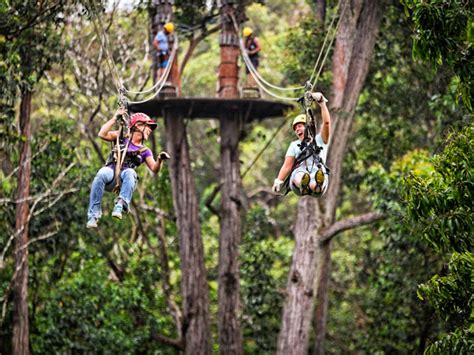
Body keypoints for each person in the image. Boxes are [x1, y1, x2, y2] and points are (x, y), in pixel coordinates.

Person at [86, 108, 170, 228]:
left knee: (130, 172)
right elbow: (102, 134)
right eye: (148, 127)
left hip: (126, 179)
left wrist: (160, 159)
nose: (150, 131)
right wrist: (115, 118)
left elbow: (154, 169)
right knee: (101, 174)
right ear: (138, 126)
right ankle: (93, 216)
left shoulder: (145, 151)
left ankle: (121, 204)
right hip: (112, 172)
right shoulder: (121, 137)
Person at [272, 92, 330, 196]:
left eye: (300, 126)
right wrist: (279, 180)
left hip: (317, 172)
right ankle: (304, 184)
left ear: (308, 126)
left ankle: (316, 185)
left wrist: (322, 103)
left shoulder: (320, 140)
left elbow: (326, 123)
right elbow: (287, 166)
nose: (297, 129)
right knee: (299, 175)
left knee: (315, 182)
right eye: (295, 128)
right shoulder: (294, 145)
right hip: (298, 178)